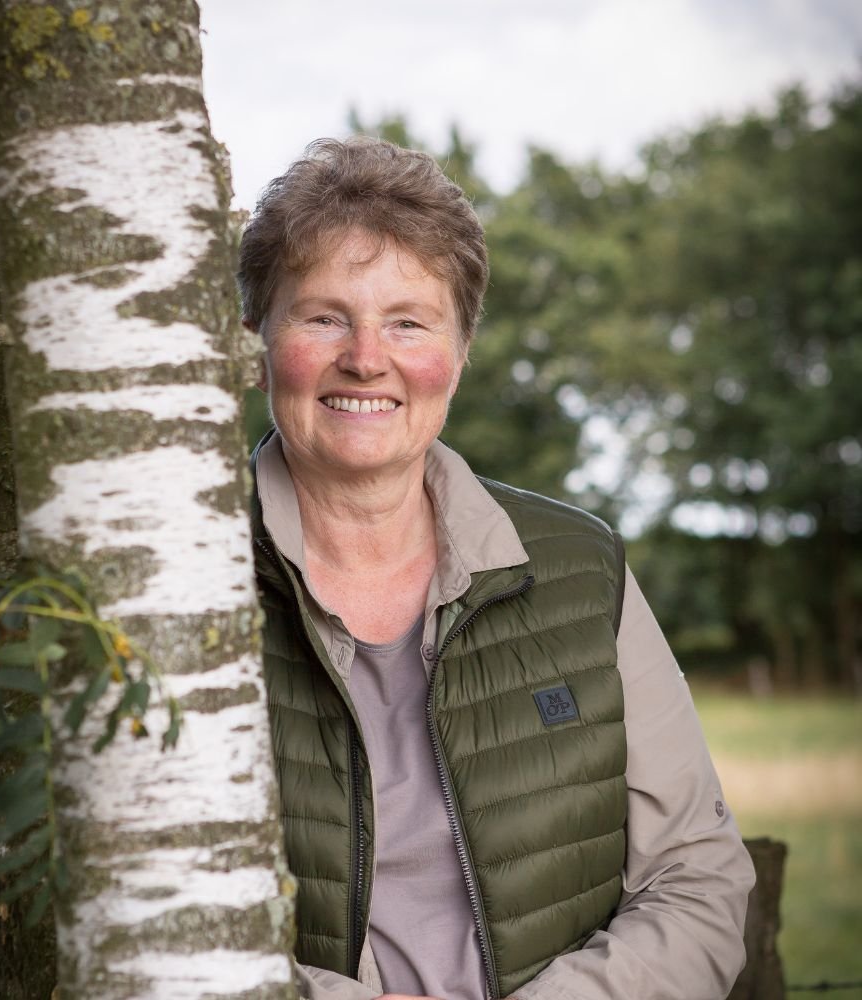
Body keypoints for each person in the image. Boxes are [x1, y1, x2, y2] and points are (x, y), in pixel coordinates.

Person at [238, 136, 755, 1000]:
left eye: (408, 322)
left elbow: (698, 879)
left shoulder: (580, 567)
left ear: (462, 349)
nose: (366, 356)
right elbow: (131, 911)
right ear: (257, 341)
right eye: (324, 317)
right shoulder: (180, 583)